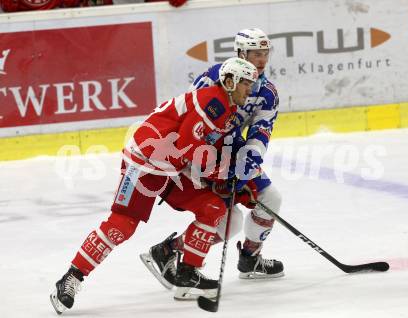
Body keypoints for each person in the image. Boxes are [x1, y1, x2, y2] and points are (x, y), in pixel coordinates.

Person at [50, 57, 258, 314]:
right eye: (246, 83)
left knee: (213, 207)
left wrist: (232, 181)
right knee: (122, 225)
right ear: (229, 82)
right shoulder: (212, 103)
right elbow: (188, 149)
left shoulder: (226, 107)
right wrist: (222, 175)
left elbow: (197, 152)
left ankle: (187, 275)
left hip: (173, 165)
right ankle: (71, 277)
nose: (250, 89)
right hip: (145, 163)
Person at [141, 28, 284, 289]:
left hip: (232, 154)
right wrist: (212, 169)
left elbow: (261, 131)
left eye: (265, 53)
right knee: (231, 222)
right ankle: (167, 251)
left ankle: (250, 258)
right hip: (201, 156)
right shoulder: (212, 79)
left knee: (270, 198)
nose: (262, 60)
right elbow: (192, 126)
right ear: (241, 53)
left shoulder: (267, 93)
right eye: (255, 53)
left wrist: (246, 163)